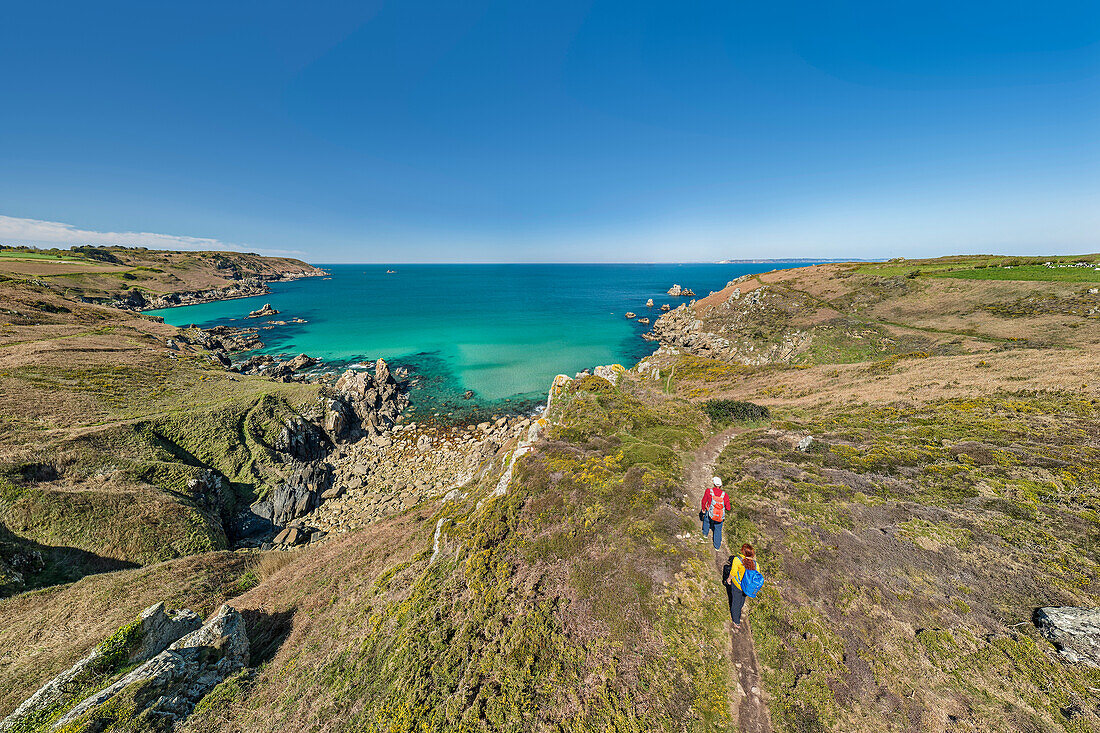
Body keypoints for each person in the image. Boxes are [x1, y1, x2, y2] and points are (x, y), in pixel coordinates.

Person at [723, 544, 757, 629]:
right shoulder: (756, 564)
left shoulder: (737, 560)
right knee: (742, 600)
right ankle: (739, 610)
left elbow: (733, 572)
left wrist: (728, 579)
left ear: (743, 552)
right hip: (747, 587)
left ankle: (736, 622)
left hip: (737, 585)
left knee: (735, 603)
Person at [700, 476, 730, 550]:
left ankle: (705, 534)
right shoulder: (725, 495)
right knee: (718, 529)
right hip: (719, 515)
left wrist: (703, 509)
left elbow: (704, 501)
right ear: (720, 485)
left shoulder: (708, 491)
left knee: (706, 521)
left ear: (713, 483)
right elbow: (728, 508)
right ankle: (717, 546)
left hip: (709, 512)